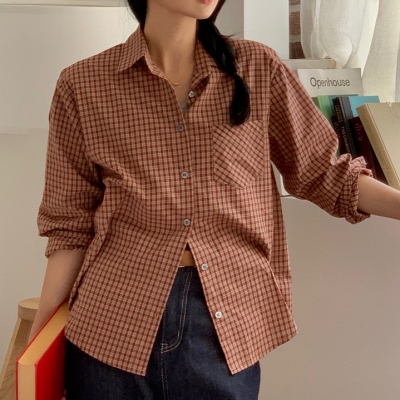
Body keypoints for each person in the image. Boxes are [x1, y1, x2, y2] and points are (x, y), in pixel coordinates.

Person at [29, 0, 400, 399]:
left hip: (223, 328)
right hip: (111, 328)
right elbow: (70, 226)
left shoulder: (258, 68)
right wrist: (37, 346)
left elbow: (324, 172)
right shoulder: (83, 84)